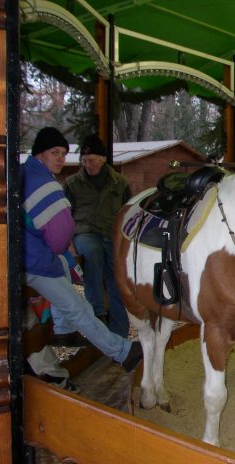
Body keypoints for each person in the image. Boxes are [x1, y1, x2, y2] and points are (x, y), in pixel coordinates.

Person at [22, 127, 142, 372]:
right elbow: (58, 234)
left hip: (35, 253)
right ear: (39, 154)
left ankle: (62, 337)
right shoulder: (46, 184)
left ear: (103, 159)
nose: (60, 158)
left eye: (63, 153)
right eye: (54, 152)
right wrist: (68, 241)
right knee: (78, 306)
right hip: (37, 259)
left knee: (104, 278)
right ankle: (121, 350)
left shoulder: (25, 175)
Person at [64, 134, 131, 337]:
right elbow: (65, 215)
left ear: (102, 160)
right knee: (93, 254)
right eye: (84, 161)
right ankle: (98, 312)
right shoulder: (72, 183)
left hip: (112, 234)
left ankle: (120, 332)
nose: (88, 165)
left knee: (117, 278)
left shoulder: (120, 183)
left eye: (91, 160)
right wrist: (68, 242)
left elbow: (128, 213)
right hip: (84, 232)